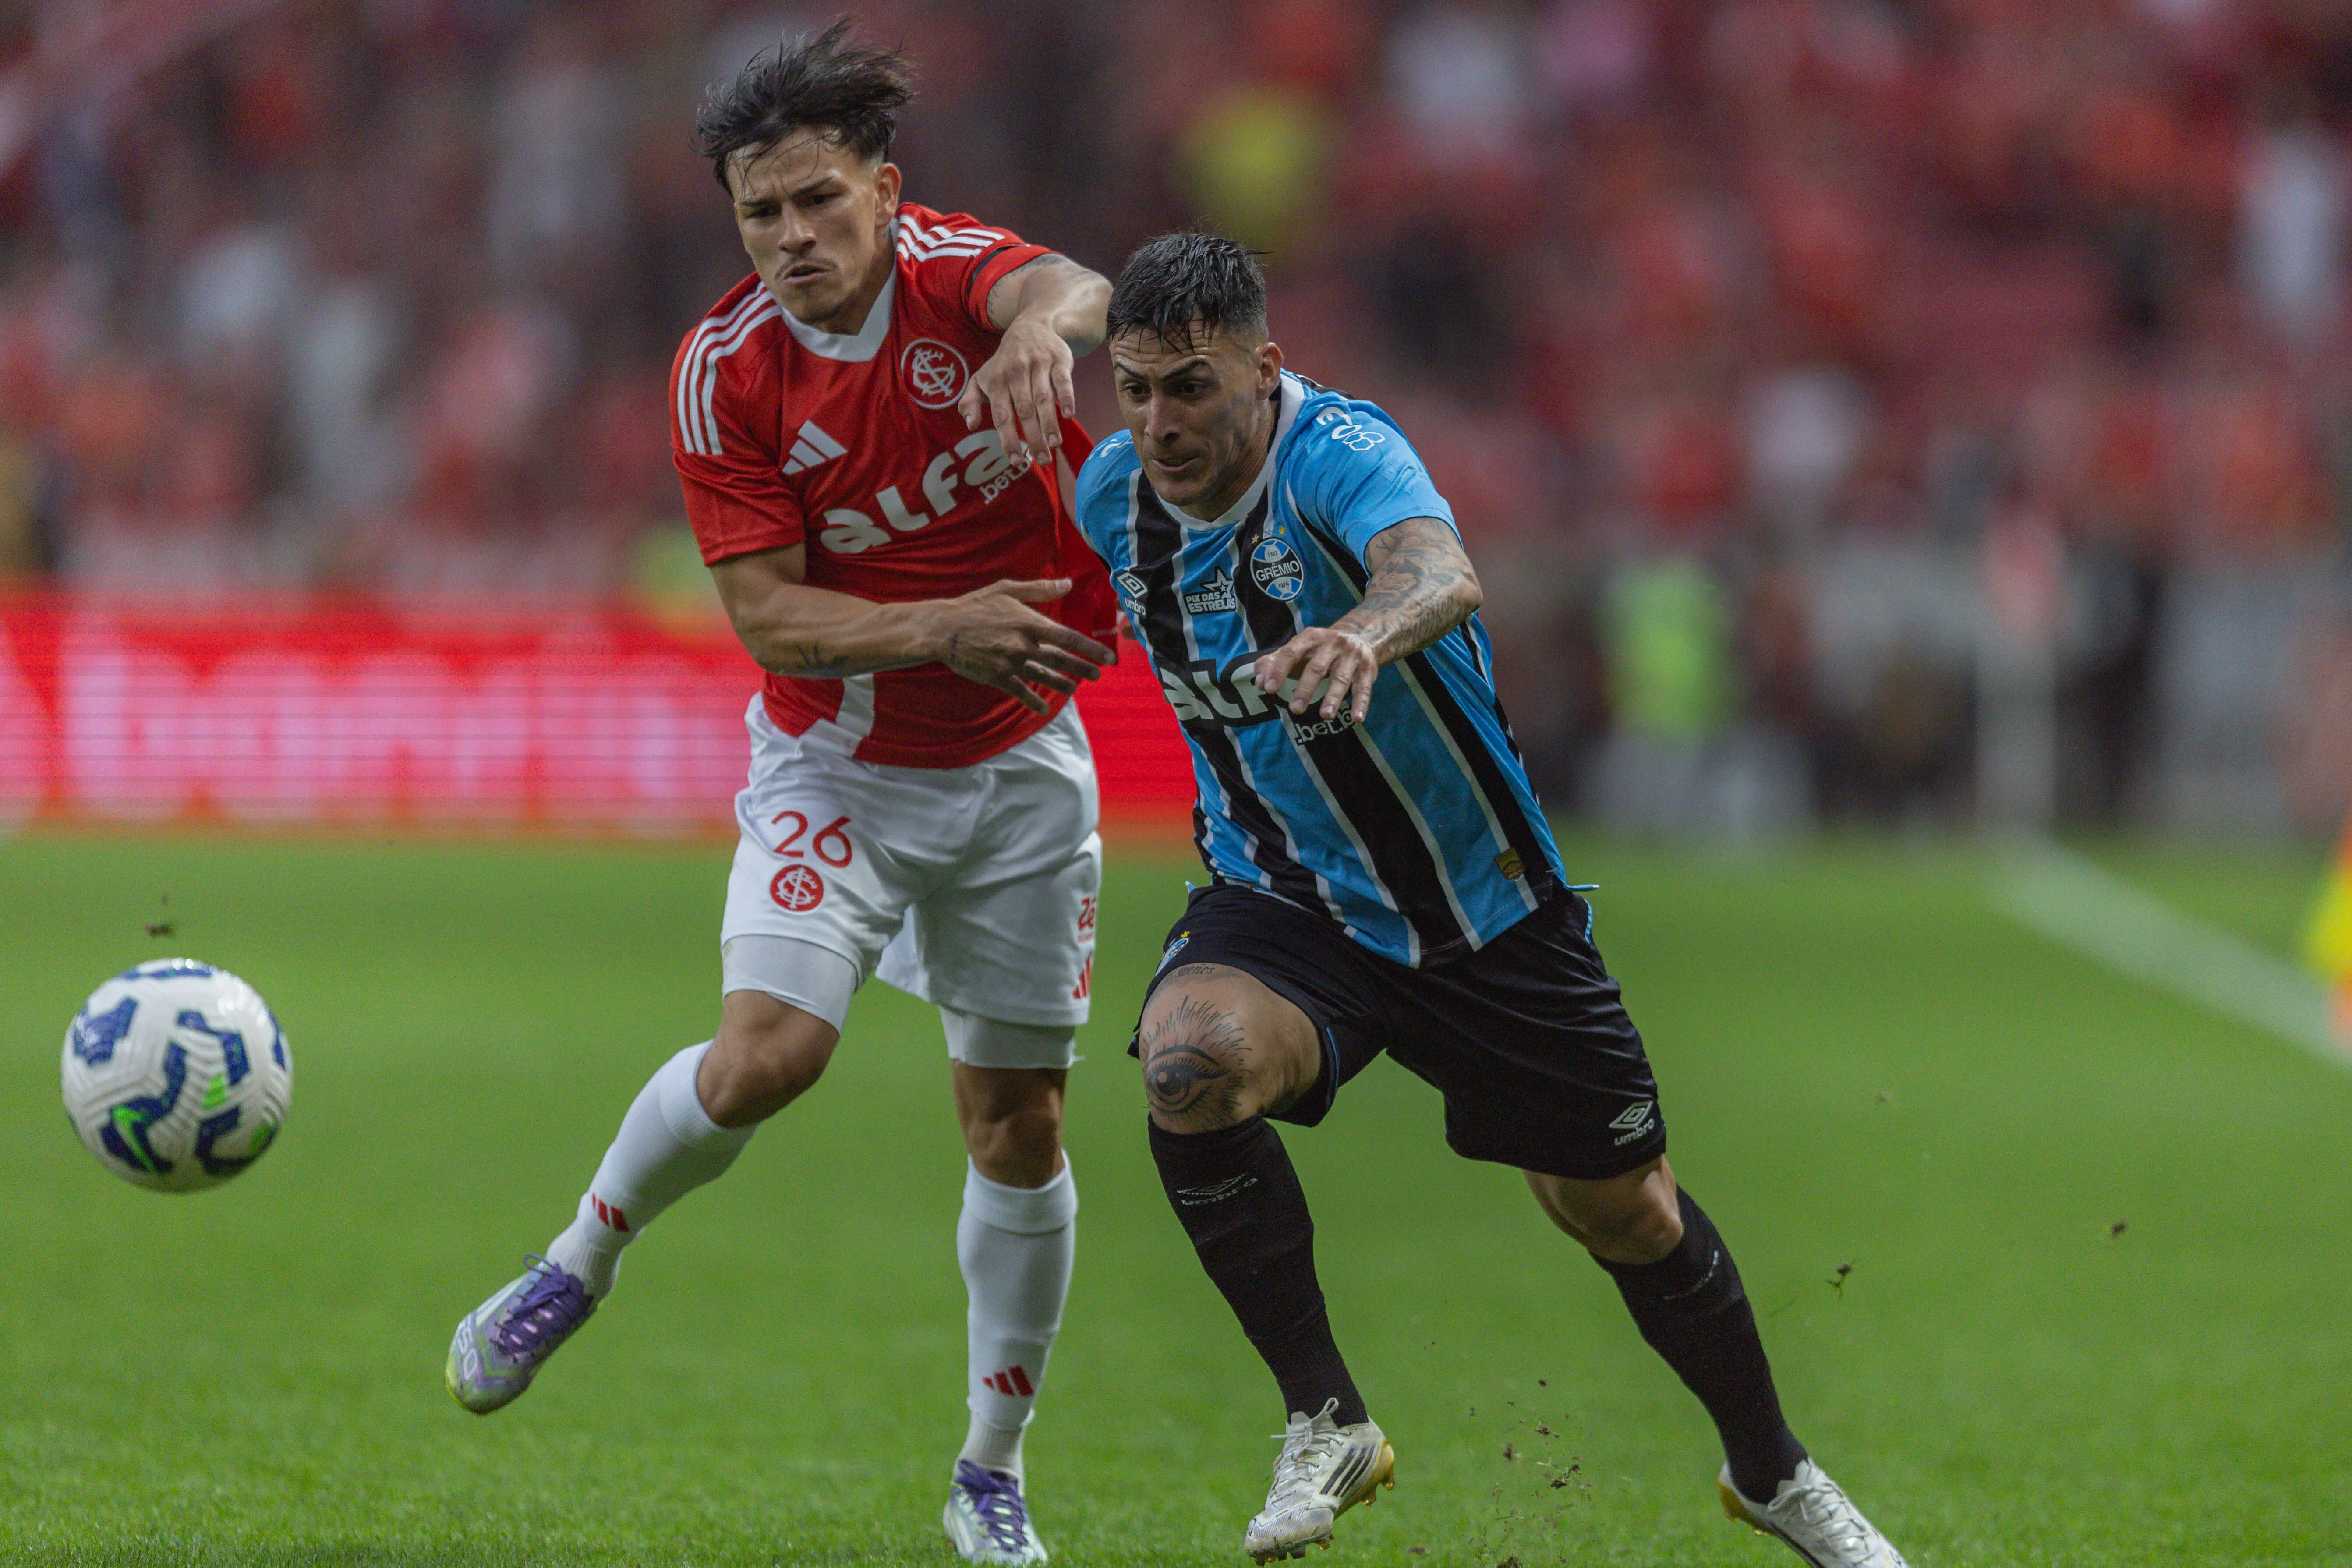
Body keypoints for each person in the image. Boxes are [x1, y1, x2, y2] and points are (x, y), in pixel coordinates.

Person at [1071, 233, 1911, 1568]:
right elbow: (1056, 612)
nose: (1160, 422)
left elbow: (1436, 569)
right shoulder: (1110, 497)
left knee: (1621, 1210)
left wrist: (1363, 629)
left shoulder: (1338, 451)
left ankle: (1775, 1476)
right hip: (1283, 897)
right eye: (1135, 388)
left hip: (1484, 912)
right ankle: (1327, 1418)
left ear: (1264, 368)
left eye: (1191, 387)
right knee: (1188, 1067)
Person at [445, 26, 1118, 1567]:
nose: (796, 240)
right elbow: (769, 620)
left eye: (821, 201)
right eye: (764, 215)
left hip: (1020, 775)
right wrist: (949, 623)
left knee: (1016, 1126)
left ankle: (991, 1469)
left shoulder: (960, 280)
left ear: (886, 192)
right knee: (770, 1057)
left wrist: (1043, 331)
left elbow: (1068, 283)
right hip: (839, 762)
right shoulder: (723, 372)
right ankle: (572, 1263)